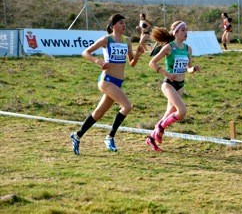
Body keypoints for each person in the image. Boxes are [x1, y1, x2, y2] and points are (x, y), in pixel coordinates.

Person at [70, 13, 144, 155]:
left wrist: (138, 54)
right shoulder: (106, 40)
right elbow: (85, 52)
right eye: (121, 23)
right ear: (113, 26)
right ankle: (110, 137)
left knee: (98, 113)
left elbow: (132, 63)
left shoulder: (127, 41)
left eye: (125, 23)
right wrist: (98, 61)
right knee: (127, 106)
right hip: (106, 80)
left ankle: (77, 136)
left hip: (118, 82)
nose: (124, 25)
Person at [146, 21, 201, 152]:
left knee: (168, 114)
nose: (185, 32)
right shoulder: (169, 47)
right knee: (182, 111)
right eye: (182, 30)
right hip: (169, 84)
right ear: (175, 32)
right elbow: (152, 63)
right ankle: (160, 127)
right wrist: (166, 73)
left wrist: (193, 69)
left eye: (186, 29)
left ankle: (151, 139)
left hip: (180, 84)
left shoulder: (188, 49)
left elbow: (188, 68)